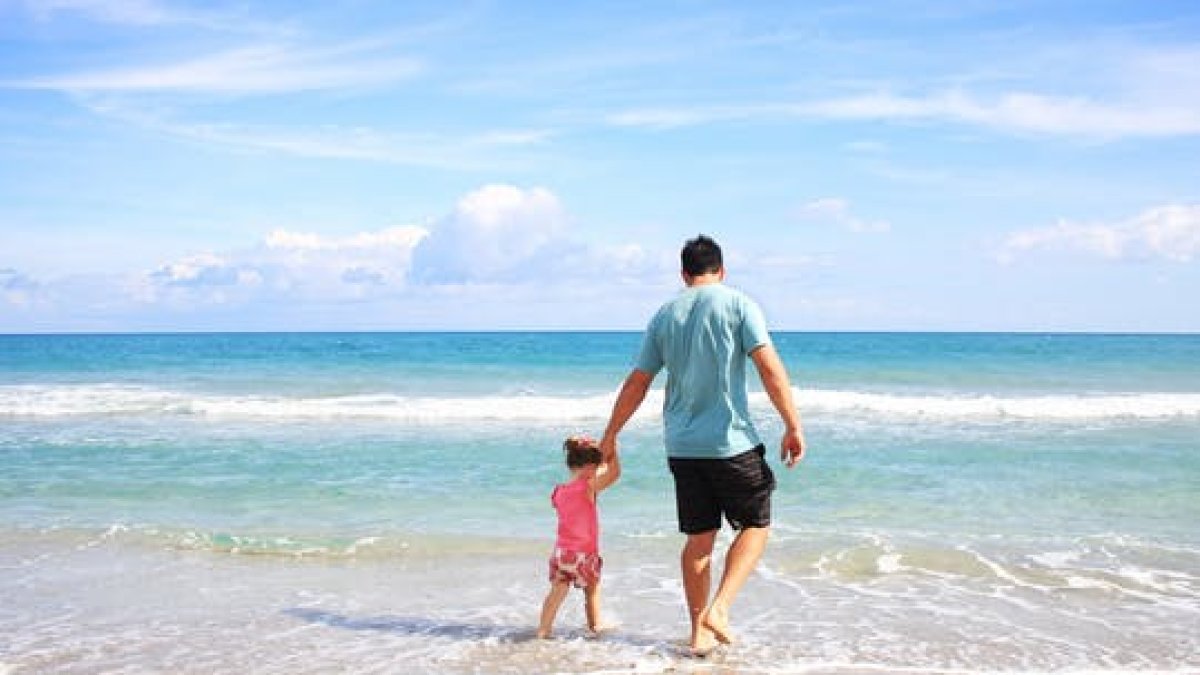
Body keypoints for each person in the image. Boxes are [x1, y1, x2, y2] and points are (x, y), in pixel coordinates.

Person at [599, 234, 805, 654]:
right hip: (730, 444)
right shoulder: (738, 304)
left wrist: (611, 434)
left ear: (684, 274)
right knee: (756, 524)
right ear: (721, 271)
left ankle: (698, 634)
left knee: (699, 540)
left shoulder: (664, 315)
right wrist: (792, 424)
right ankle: (721, 609)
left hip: (682, 447)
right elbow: (768, 367)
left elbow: (639, 381)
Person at [536, 434, 621, 639]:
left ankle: (543, 630)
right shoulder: (588, 488)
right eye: (595, 468)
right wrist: (612, 449)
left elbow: (592, 474)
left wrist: (597, 456)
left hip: (561, 553)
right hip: (584, 554)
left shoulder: (558, 492)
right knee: (591, 590)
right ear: (590, 467)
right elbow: (615, 473)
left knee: (557, 592)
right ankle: (595, 627)